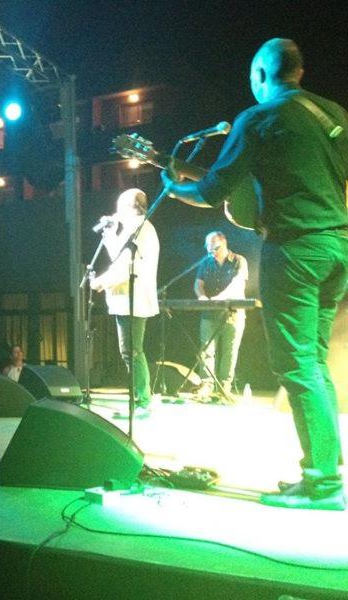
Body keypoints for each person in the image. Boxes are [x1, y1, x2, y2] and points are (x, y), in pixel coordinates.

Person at [161, 39, 347, 510]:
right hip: (338, 247)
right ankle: (324, 470)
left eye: (251, 76)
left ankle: (323, 483)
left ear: (262, 74)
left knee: (297, 363)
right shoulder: (333, 114)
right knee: (313, 362)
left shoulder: (259, 118)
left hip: (297, 247)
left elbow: (212, 190)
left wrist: (174, 188)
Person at [91, 188, 160, 420]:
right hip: (128, 299)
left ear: (131, 207)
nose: (116, 211)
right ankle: (140, 401)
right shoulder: (135, 228)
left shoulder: (141, 229)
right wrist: (110, 233)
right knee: (131, 351)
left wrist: (100, 282)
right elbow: (118, 256)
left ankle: (142, 402)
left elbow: (125, 267)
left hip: (134, 298)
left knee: (132, 351)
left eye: (120, 207)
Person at [193, 232, 249, 402]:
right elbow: (198, 284)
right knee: (206, 350)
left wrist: (219, 298)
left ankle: (224, 388)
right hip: (210, 313)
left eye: (215, 247)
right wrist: (202, 297)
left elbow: (238, 283)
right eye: (209, 248)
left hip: (234, 313)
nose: (212, 251)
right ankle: (207, 386)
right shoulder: (205, 262)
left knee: (229, 352)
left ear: (224, 243)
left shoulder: (239, 260)